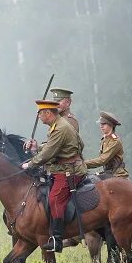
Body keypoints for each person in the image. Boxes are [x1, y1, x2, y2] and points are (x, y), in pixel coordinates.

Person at [21, 99, 87, 253]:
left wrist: (29, 164)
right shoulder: (57, 125)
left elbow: (47, 154)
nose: (38, 117)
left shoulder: (60, 128)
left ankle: (57, 239)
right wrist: (38, 147)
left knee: (54, 199)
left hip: (70, 171)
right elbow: (54, 146)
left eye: (40, 113)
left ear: (48, 113)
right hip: (63, 168)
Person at [85, 111, 129, 178]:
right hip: (108, 174)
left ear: (111, 125)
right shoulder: (104, 139)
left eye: (104, 124)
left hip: (117, 175)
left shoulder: (115, 141)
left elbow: (102, 160)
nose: (101, 126)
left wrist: (82, 164)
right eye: (100, 124)